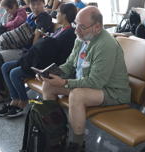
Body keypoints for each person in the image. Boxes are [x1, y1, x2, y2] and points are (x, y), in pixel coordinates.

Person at [38, 6, 131, 152]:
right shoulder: (81, 38)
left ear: (97, 27)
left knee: (77, 95)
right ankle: (56, 134)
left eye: (81, 27)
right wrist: (51, 73)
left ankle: (77, 144)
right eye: (75, 24)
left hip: (112, 92)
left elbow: (96, 82)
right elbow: (69, 65)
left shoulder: (106, 45)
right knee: (48, 86)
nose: (76, 30)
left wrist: (64, 82)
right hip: (87, 85)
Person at [0, 3, 77, 118]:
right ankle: (15, 99)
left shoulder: (69, 34)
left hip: (47, 65)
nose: (56, 14)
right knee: (5, 67)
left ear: (64, 15)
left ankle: (22, 102)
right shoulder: (61, 29)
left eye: (58, 12)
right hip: (39, 60)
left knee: (14, 73)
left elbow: (60, 56)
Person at [0, 0, 54, 105]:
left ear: (43, 4)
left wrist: (29, 51)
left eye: (38, 4)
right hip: (17, 46)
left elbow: (36, 38)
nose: (35, 7)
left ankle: (2, 91)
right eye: (32, 4)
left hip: (24, 51)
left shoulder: (44, 17)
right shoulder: (31, 15)